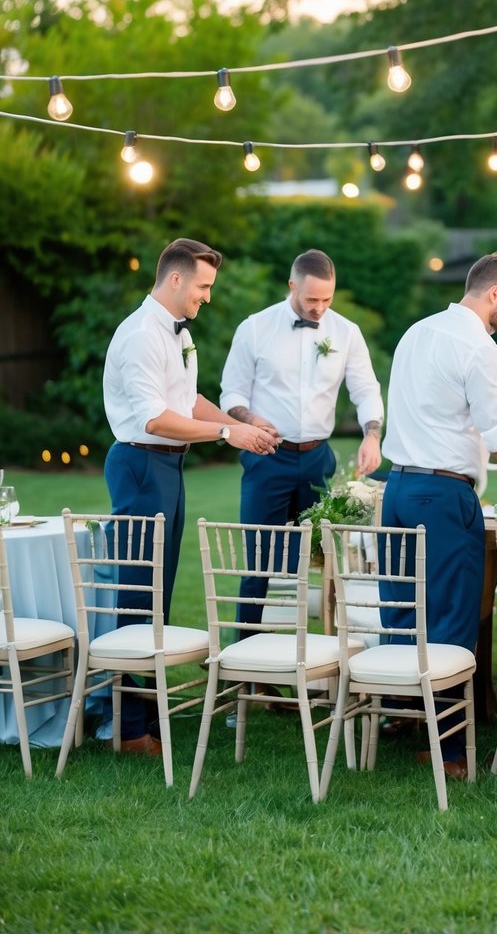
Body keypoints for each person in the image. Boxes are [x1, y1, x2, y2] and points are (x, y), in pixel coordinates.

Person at [380, 252, 497, 778]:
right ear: (494, 293)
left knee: (401, 609)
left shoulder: (416, 332)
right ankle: (451, 752)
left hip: (396, 488)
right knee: (454, 619)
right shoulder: (479, 347)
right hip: (442, 497)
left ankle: (401, 719)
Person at [103, 237, 278, 754]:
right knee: (137, 594)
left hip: (167, 467)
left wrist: (240, 426)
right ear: (176, 279)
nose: (207, 297)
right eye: (203, 286)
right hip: (140, 465)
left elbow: (187, 399)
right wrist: (228, 437)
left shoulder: (176, 332)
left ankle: (149, 719)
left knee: (157, 592)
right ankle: (130, 728)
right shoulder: (140, 335)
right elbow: (154, 418)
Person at [220, 248, 383, 631]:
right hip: (266, 457)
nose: (319, 308)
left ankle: (319, 655)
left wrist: (372, 434)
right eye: (312, 299)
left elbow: (366, 390)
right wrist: (250, 419)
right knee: (258, 561)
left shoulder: (346, 333)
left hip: (317, 461)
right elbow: (231, 395)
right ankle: (244, 659)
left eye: (327, 299)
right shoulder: (255, 328)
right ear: (292, 286)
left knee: (326, 562)